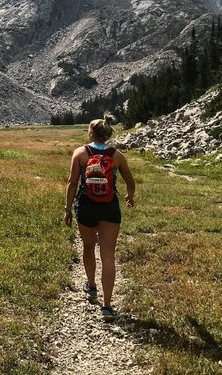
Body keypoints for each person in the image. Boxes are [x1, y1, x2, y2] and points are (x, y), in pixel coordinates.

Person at [64, 115, 136, 319]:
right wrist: (129, 197)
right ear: (108, 133)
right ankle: (106, 306)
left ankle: (92, 286)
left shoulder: (80, 153)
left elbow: (72, 183)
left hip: (86, 206)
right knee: (108, 255)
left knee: (88, 246)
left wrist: (68, 208)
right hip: (109, 208)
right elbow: (130, 182)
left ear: (90, 133)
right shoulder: (118, 156)